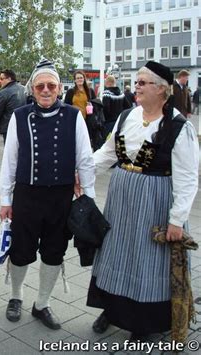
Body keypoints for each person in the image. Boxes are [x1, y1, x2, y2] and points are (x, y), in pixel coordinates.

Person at [87, 61, 199, 341]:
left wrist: (176, 220)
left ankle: (143, 323)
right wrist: (80, 172)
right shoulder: (128, 117)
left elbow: (187, 178)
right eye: (136, 82)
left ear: (162, 90)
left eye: (142, 82)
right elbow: (107, 154)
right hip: (121, 200)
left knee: (146, 261)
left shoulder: (177, 127)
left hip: (155, 203)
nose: (136, 87)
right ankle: (111, 310)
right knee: (116, 253)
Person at [0, 58, 95, 330]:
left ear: (58, 88)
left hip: (61, 198)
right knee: (20, 250)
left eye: (51, 85)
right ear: (32, 88)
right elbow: (10, 160)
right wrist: (5, 199)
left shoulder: (73, 116)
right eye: (40, 85)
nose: (45, 90)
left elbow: (85, 159)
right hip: (27, 196)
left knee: (54, 252)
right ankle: (15, 296)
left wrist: (88, 197)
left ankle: (42, 303)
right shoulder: (20, 116)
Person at [0, 69, 26, 143]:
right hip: (24, 127)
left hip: (9, 128)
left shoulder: (4, 93)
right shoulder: (24, 89)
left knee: (10, 153)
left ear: (9, 79)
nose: (0, 81)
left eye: (2, 79)